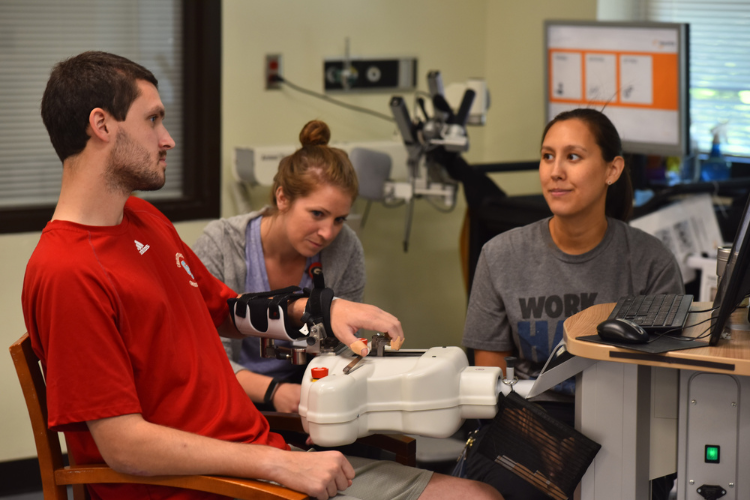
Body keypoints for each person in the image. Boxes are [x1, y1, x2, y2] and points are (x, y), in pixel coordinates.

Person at [22, 51, 502, 500]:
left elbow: (226, 311)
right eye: (152, 119)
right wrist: (277, 465)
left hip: (254, 457)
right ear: (101, 125)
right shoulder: (68, 272)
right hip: (202, 486)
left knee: (477, 495)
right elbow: (123, 446)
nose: (167, 138)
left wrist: (319, 310)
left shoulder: (144, 222)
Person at [461, 108, 683, 499]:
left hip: (624, 416)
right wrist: (549, 450)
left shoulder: (650, 259)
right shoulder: (501, 255)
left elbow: (664, 382)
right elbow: (488, 383)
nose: (555, 171)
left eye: (573, 157)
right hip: (531, 417)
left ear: (612, 170)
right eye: (548, 156)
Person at [193, 120, 364, 414]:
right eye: (317, 214)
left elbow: (341, 349)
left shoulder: (345, 248)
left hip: (308, 398)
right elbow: (201, 354)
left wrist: (324, 399)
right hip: (229, 398)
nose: (328, 233)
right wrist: (274, 392)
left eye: (339, 219)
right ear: (282, 197)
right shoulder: (221, 244)